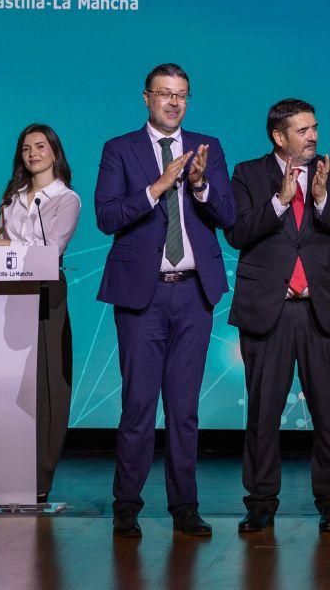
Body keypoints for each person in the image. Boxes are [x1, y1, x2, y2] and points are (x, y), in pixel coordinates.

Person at [95, 63, 236, 537]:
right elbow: (107, 216)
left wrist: (198, 185)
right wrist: (157, 187)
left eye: (182, 95)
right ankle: (126, 507)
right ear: (146, 98)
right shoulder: (120, 149)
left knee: (184, 409)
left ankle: (185, 508)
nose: (174, 102)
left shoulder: (207, 148)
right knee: (138, 405)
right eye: (165, 94)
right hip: (142, 296)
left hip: (193, 294)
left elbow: (230, 216)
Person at [226, 98, 330, 534]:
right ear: (278, 136)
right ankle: (261, 502)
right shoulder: (248, 174)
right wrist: (279, 202)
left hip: (323, 310)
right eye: (303, 130)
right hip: (269, 311)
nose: (313, 137)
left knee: (329, 414)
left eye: (315, 128)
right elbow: (237, 233)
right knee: (263, 415)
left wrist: (321, 199)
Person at [0, 124, 81, 502]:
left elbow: (48, 251)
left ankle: (39, 479)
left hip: (44, 296)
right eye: (26, 148)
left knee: (44, 386)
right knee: (4, 383)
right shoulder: (12, 198)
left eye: (40, 146)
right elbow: (5, 251)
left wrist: (0, 241)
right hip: (7, 293)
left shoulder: (65, 199)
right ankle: (9, 479)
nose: (33, 153)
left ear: (55, 152)